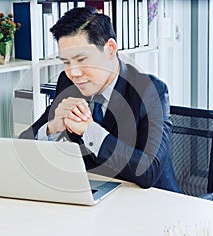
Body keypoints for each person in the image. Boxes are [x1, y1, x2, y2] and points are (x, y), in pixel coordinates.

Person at [19, 6, 181, 192]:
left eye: (82, 60)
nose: (74, 72)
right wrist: (52, 127)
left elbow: (148, 172)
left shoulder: (151, 91)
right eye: (66, 62)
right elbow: (23, 145)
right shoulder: (69, 82)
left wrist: (90, 131)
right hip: (95, 195)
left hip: (154, 202)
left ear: (110, 49)